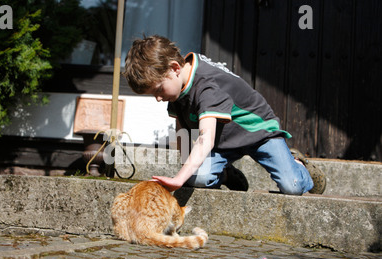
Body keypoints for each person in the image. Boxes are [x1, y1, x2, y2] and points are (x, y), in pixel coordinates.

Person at [123, 35, 326, 195]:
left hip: (257, 132)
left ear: (175, 68)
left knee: (293, 186)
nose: (158, 98)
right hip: (223, 141)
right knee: (198, 178)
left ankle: (299, 167)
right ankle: (227, 174)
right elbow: (182, 132)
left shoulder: (206, 86)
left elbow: (205, 138)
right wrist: (186, 172)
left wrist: (178, 180)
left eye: (158, 90)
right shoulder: (176, 89)